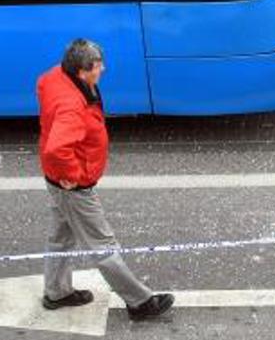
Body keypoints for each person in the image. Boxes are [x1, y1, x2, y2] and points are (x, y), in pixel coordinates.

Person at [37, 39, 174, 320]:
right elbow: (57, 148)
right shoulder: (71, 106)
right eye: (98, 67)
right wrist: (72, 177)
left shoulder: (55, 76)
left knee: (61, 238)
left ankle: (56, 292)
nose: (103, 70)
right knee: (103, 246)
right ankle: (139, 302)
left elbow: (44, 90)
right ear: (81, 71)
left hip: (56, 180)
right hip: (72, 187)